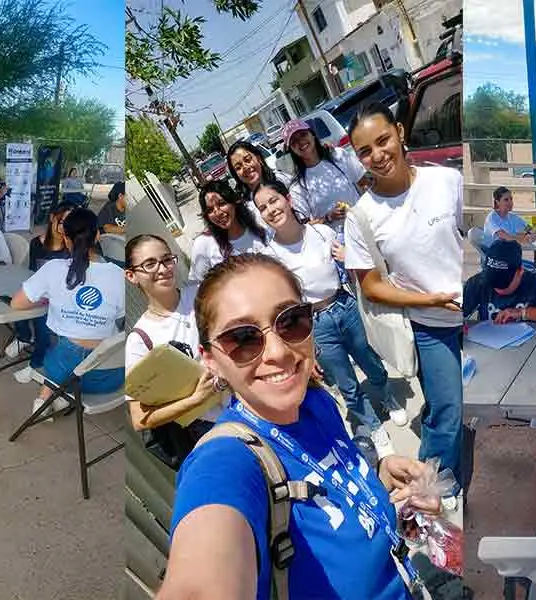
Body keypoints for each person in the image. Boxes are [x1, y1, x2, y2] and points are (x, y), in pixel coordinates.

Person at [159, 252, 439, 599]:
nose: (277, 350)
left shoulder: (315, 402)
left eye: (290, 321)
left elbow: (323, 485)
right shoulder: (225, 461)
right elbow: (202, 578)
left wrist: (377, 476)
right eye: (243, 339)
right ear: (211, 359)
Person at [343, 103, 464, 484]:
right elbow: (371, 285)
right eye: (365, 151)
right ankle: (434, 482)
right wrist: (427, 301)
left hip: (476, 312)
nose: (378, 155)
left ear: (400, 133)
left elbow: (475, 236)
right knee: (448, 407)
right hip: (430, 325)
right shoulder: (361, 215)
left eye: (383, 141)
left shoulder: (446, 181)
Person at [254, 180, 408, 456]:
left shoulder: (321, 232)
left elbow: (353, 265)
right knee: (345, 382)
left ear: (287, 199)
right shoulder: (270, 257)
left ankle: (388, 398)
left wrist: (350, 256)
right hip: (313, 323)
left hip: (345, 306)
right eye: (263, 208)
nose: (271, 209)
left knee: (371, 361)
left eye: (274, 201)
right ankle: (373, 426)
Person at [10, 208, 124, 417]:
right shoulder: (120, 276)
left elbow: (16, 304)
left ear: (65, 238)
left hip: (64, 370)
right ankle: (57, 396)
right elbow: (120, 318)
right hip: (111, 377)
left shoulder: (53, 269)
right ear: (97, 235)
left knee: (61, 346)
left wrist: (51, 299)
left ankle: (48, 397)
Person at [125, 234, 223, 469]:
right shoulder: (140, 340)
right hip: (214, 427)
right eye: (150, 264)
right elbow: (140, 419)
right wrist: (196, 399)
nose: (163, 269)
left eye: (167, 259)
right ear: (132, 275)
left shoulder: (203, 293)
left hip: (251, 397)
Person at [6, 202, 74, 383]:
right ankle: (24, 337)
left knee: (43, 323)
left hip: (60, 298)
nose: (64, 228)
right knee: (14, 302)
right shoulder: (37, 243)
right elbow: (31, 273)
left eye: (69, 223)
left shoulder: (72, 247)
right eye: (61, 221)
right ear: (52, 218)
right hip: (40, 291)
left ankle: (36, 365)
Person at [463, 240, 536, 325]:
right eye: (492, 282)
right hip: (488, 347)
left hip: (535, 346)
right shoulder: (477, 282)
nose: (498, 288)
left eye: (504, 283)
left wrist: (523, 313)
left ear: (520, 271)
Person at [283, 119, 367, 228]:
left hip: (364, 223)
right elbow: (304, 227)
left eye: (303, 135)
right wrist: (328, 218)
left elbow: (364, 183)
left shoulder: (338, 155)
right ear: (292, 149)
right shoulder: (297, 187)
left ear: (312, 134)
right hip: (338, 241)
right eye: (294, 141)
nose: (300, 142)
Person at [189, 180, 269, 282]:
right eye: (210, 210)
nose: (217, 212)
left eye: (222, 204)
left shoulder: (258, 221)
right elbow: (195, 284)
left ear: (234, 202)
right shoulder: (204, 243)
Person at [226, 139, 292, 225]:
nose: (245, 167)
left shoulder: (283, 179)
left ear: (259, 158)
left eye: (247, 160)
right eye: (238, 167)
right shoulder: (243, 206)